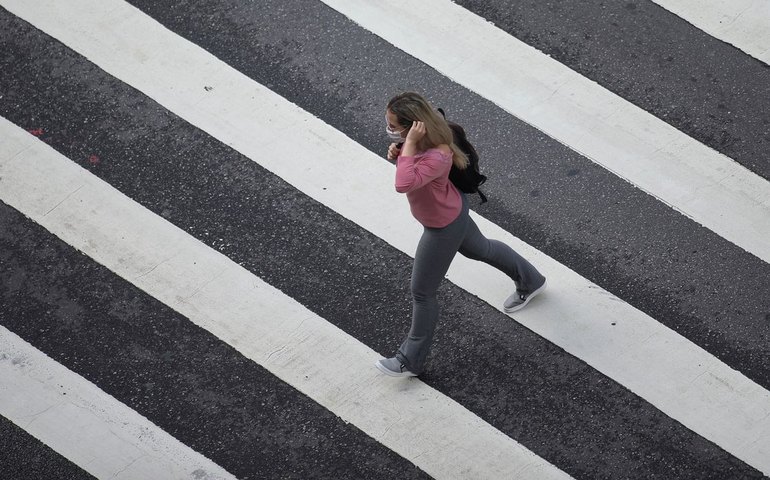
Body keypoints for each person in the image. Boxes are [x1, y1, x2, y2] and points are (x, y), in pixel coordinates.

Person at [375, 92, 547, 378]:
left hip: (442, 226)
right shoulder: (425, 137)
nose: (389, 128)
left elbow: (404, 184)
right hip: (452, 210)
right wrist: (402, 149)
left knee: (422, 292)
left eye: (393, 125)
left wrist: (407, 150)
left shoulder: (438, 155)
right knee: (481, 249)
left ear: (414, 126)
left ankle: (409, 360)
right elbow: (412, 168)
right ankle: (531, 280)